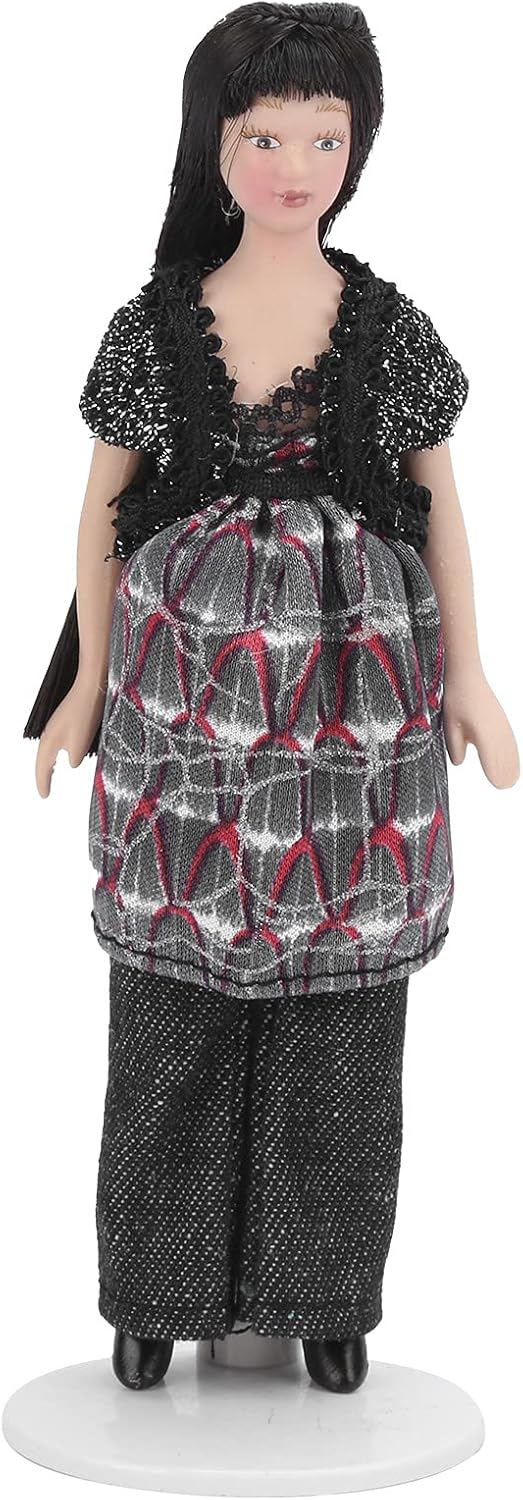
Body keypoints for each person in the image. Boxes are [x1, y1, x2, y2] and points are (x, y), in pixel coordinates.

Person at [23, 2, 519, 1396]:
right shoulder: (156, 325)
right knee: (170, 1000)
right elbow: (103, 512)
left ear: (357, 148)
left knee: (344, 1014)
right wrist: (85, 681)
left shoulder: (388, 327)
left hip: (361, 712)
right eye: (264, 137)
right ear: (216, 147)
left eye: (324, 137)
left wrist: (471, 675)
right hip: (185, 704)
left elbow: (438, 503)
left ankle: (326, 1295)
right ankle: (155, 1290)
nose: (295, 166)